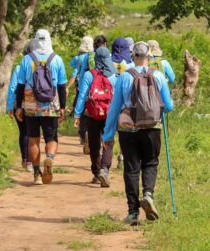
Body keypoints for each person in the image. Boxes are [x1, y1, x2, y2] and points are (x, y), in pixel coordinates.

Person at [103, 41, 175, 226]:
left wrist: (108, 135)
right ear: (149, 57)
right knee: (150, 163)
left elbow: (115, 108)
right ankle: (148, 194)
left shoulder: (124, 77)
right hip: (152, 128)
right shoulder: (158, 76)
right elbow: (168, 106)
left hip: (128, 129)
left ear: (133, 56)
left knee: (131, 168)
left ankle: (133, 212)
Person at [15, 29, 68, 185]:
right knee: (51, 138)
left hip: (30, 103)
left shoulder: (26, 59)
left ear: (35, 40)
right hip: (50, 103)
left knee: (33, 139)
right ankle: (49, 158)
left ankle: (37, 174)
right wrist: (62, 107)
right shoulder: (57, 59)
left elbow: (20, 85)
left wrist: (19, 106)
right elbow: (62, 85)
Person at [73, 47, 118, 186]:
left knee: (94, 144)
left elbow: (82, 96)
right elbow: (118, 98)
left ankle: (96, 173)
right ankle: (105, 169)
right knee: (108, 142)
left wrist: (77, 114)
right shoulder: (115, 76)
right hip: (109, 114)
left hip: (91, 114)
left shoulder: (88, 75)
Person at [6, 40, 37, 173]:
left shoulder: (19, 68)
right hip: (35, 104)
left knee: (24, 132)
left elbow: (12, 88)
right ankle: (31, 160)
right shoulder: (40, 66)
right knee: (32, 133)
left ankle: (26, 160)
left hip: (19, 104)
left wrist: (10, 107)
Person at [66, 36, 94, 149]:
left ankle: (83, 135)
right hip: (95, 89)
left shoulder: (79, 58)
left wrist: (67, 87)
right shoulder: (95, 56)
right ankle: (92, 135)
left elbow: (74, 72)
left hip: (82, 88)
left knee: (81, 111)